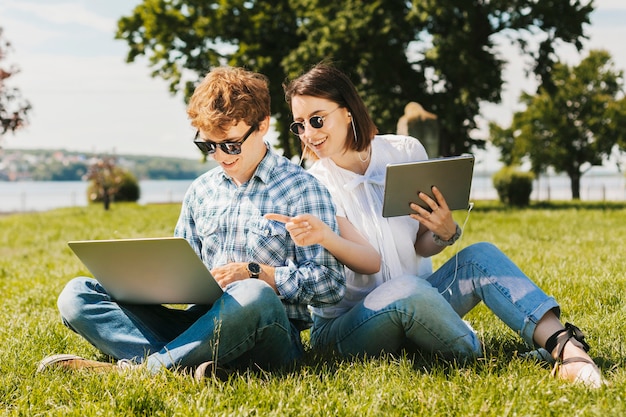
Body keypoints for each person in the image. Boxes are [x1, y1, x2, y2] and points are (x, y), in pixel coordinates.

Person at [278, 62, 604, 387]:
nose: (309, 134)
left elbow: (420, 243)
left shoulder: (403, 151)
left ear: (348, 111)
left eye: (316, 120)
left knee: (479, 256)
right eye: (300, 125)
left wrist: (443, 231)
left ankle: (565, 347)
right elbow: (366, 263)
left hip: (422, 298)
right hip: (351, 326)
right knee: (406, 291)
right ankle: (484, 355)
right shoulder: (313, 185)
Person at [37, 66, 347, 379]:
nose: (221, 157)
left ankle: (141, 372)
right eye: (208, 146)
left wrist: (259, 274)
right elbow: (185, 272)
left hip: (267, 331)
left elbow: (331, 285)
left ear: (263, 125)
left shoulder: (302, 188)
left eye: (231, 144)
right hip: (199, 324)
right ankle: (199, 366)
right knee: (77, 295)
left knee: (254, 294)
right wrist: (150, 283)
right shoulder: (201, 190)